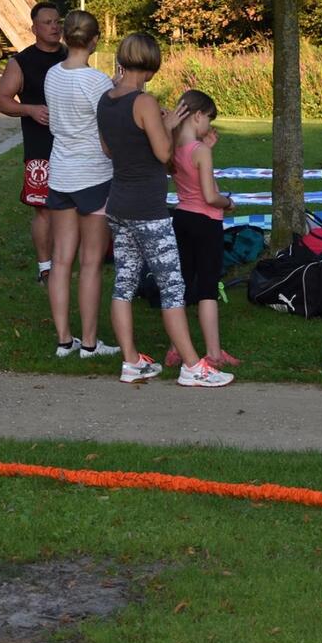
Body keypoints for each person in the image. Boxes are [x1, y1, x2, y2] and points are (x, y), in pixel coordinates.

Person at [98, 33, 234, 389]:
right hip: (147, 208)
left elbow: (109, 149)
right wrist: (168, 126)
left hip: (118, 203)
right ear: (150, 63)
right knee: (173, 286)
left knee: (124, 284)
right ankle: (192, 366)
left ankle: (131, 361)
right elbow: (162, 153)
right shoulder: (144, 101)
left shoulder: (106, 100)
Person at [43, 9, 120, 361]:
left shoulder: (52, 74)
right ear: (94, 40)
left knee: (61, 260)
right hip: (94, 175)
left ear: (64, 36)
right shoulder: (97, 81)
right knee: (90, 262)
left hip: (60, 173)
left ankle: (64, 340)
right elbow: (106, 133)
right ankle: (89, 342)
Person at [0, 2, 67, 285]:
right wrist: (30, 110)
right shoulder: (21, 62)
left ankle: (65, 261)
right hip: (40, 146)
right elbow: (2, 102)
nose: (54, 27)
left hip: (73, 145)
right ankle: (45, 267)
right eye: (47, 22)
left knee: (71, 208)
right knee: (44, 208)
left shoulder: (71, 56)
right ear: (33, 28)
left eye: (57, 21)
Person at [167, 89, 239, 368]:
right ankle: (214, 353)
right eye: (209, 118)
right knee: (208, 287)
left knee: (182, 284)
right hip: (206, 221)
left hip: (182, 218)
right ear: (197, 116)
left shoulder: (172, 148)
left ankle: (176, 348)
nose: (209, 125)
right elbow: (210, 196)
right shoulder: (200, 152)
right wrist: (228, 202)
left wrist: (206, 148)